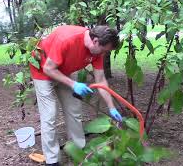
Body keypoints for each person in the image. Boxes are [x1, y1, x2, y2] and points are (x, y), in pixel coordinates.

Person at [29, 25, 123, 166]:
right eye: (104, 50)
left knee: (74, 110)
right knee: (49, 115)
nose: (103, 54)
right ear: (96, 41)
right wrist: (74, 85)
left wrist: (111, 107)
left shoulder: (97, 51)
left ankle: (78, 149)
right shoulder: (67, 39)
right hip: (43, 70)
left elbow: (101, 80)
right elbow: (48, 68)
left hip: (65, 69)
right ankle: (52, 160)